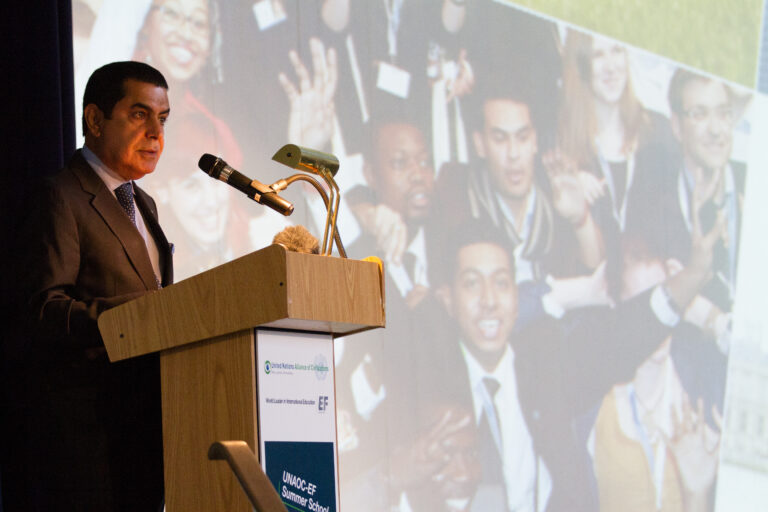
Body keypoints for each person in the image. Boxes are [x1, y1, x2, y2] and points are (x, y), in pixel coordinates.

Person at [6, 61, 173, 511]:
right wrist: (145, 313)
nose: (156, 133)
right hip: (87, 435)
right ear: (95, 120)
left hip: (142, 428)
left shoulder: (144, 203)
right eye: (139, 115)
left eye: (163, 118)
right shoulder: (59, 195)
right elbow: (43, 309)